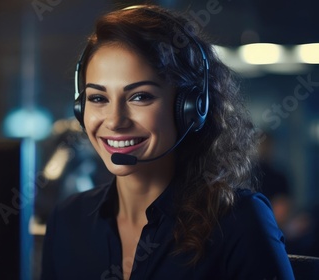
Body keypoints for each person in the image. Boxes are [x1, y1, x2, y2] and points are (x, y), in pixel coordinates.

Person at [41, 4, 294, 280]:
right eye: (98, 98)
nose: (114, 121)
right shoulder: (67, 220)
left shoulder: (238, 221)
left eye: (140, 97)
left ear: (189, 107)